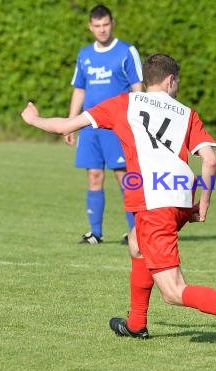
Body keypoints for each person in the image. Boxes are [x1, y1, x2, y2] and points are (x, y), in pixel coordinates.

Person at [21, 53, 216, 349]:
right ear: (170, 80)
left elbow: (65, 127)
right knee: (137, 244)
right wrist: (203, 203)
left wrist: (33, 118)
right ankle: (136, 323)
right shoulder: (186, 113)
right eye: (177, 82)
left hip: (155, 203)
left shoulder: (123, 103)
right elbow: (210, 160)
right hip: (178, 198)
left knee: (174, 291)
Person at [66, 4, 143, 244]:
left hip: (117, 127)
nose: (102, 30)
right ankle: (95, 233)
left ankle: (135, 232)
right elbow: (80, 89)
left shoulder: (126, 51)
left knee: (124, 177)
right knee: (94, 176)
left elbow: (137, 88)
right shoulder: (85, 54)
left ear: (112, 23)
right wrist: (71, 122)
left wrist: (138, 122)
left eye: (106, 24)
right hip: (90, 128)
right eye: (97, 26)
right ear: (90, 26)